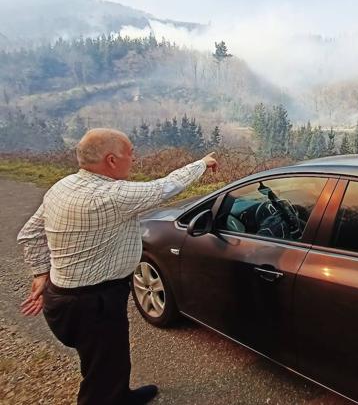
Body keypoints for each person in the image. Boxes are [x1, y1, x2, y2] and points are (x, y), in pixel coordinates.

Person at [17, 128, 218, 405]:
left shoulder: (62, 187)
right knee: (100, 375)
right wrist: (202, 163)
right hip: (94, 303)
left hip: (63, 298)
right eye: (130, 153)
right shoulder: (113, 195)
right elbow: (166, 186)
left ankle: (121, 395)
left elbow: (30, 234)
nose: (133, 159)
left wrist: (41, 273)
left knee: (108, 359)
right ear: (111, 160)